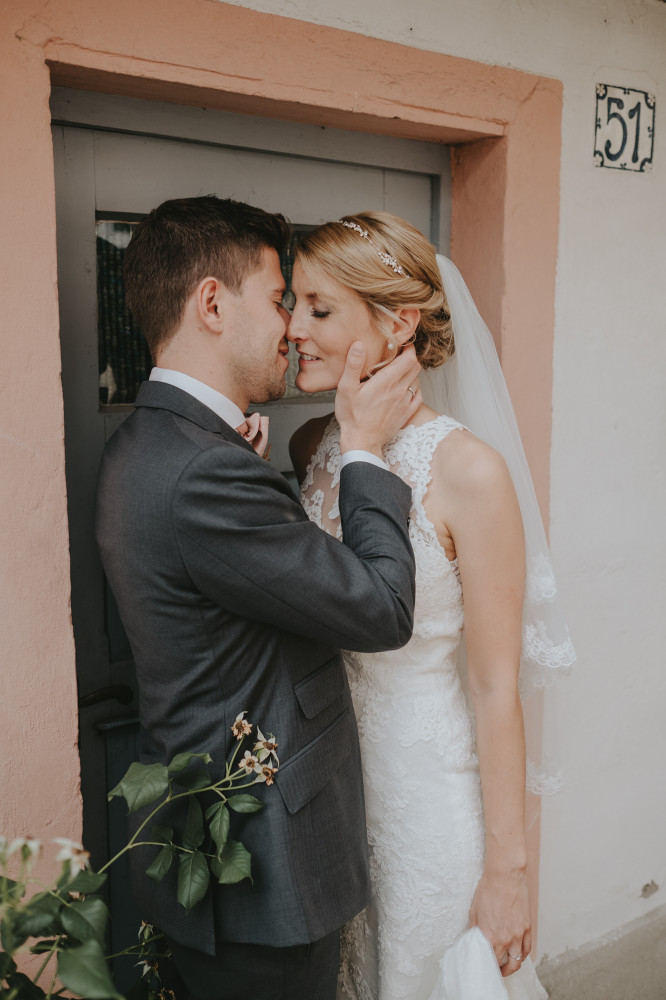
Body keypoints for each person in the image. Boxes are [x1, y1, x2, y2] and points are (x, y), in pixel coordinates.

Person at [95, 196, 425, 1000]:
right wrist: (368, 450)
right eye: (280, 298)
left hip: (205, 861)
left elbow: (224, 596)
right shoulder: (203, 472)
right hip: (262, 873)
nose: (291, 325)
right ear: (212, 303)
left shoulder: (150, 443)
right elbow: (382, 606)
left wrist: (253, 479)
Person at [288, 211, 575, 1000]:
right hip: (337, 801)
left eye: (319, 308)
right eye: (291, 304)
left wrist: (509, 872)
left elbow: (493, 687)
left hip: (428, 802)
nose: (292, 329)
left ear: (398, 322)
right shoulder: (312, 443)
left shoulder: (468, 471)